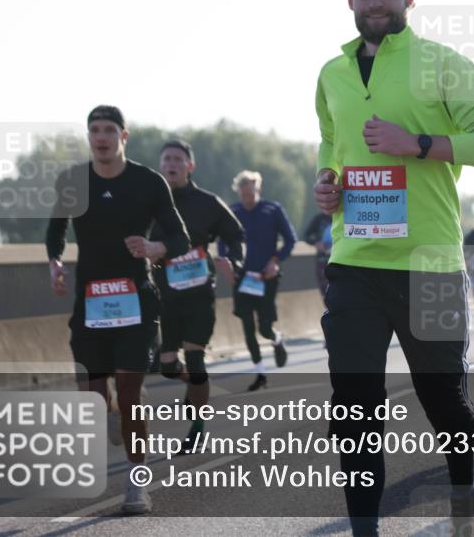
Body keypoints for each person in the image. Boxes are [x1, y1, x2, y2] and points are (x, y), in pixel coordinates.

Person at [313, 0, 474, 536]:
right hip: (354, 262)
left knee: (444, 402)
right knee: (355, 412)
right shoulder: (330, 73)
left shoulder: (443, 64)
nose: (376, 3)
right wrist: (327, 183)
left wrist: (415, 142)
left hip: (431, 263)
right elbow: (331, 141)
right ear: (349, 1)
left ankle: (462, 496)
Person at [46, 105, 191, 515]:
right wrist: (54, 263)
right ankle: (109, 409)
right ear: (89, 136)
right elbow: (56, 230)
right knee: (95, 398)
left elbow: (178, 238)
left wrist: (156, 248)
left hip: (137, 300)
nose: (101, 136)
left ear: (123, 136)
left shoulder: (148, 182)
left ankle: (136, 485)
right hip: (90, 302)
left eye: (110, 129)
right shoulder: (73, 181)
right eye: (94, 130)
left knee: (130, 390)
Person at [149, 139, 244, 450]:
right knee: (166, 365)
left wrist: (233, 259)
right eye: (166, 159)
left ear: (190, 166)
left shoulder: (207, 202)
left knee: (194, 356)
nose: (171, 164)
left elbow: (235, 234)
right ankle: (197, 385)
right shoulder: (150, 203)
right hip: (165, 294)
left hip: (200, 293)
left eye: (178, 159)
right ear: (160, 165)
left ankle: (198, 426)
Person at [220, 170, 296, 391]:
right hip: (242, 277)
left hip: (266, 276)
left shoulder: (273, 210)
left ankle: (276, 339)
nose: (248, 199)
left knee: (264, 327)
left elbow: (291, 240)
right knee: (246, 325)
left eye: (251, 193)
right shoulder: (232, 212)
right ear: (239, 192)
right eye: (244, 195)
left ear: (258, 190)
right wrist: (228, 265)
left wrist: (276, 260)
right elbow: (224, 243)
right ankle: (260, 373)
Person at [304, 211, 334, 299]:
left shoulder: (344, 216)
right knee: (325, 290)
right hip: (322, 260)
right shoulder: (319, 218)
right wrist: (316, 242)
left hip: (340, 261)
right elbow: (306, 235)